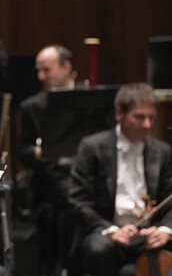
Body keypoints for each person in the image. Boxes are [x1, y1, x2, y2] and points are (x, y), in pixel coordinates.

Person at [69, 82, 172, 276]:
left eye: (151, 118)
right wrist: (111, 230)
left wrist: (165, 230)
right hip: (108, 233)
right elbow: (78, 200)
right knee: (98, 248)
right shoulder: (92, 147)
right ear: (119, 113)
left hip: (148, 233)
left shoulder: (162, 152)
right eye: (139, 117)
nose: (147, 125)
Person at [18, 44, 76, 272]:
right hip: (50, 187)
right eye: (38, 70)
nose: (41, 76)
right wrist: (39, 153)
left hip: (83, 182)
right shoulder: (31, 107)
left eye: (46, 70)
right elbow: (23, 153)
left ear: (66, 67)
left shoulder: (88, 100)